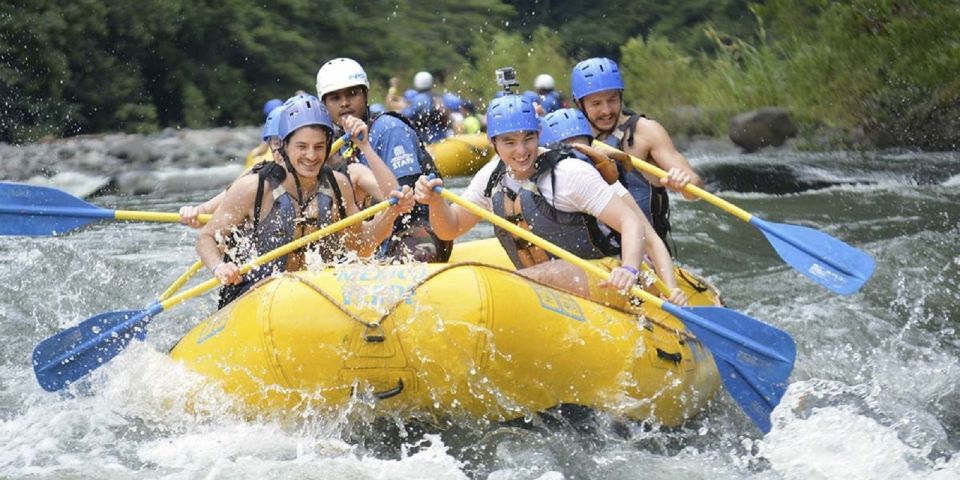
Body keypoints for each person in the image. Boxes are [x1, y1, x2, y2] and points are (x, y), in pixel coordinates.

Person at [415, 95, 686, 307]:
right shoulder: (491, 177)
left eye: (528, 139)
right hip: (547, 286)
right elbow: (449, 230)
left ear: (539, 135)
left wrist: (628, 268)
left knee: (548, 274)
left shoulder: (569, 174)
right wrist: (434, 203)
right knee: (543, 274)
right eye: (509, 142)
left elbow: (632, 223)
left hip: (605, 273)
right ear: (493, 142)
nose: (521, 151)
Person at [195, 97, 413, 308]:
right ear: (284, 146)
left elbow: (361, 245)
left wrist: (391, 213)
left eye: (319, 146)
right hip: (256, 296)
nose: (311, 155)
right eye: (302, 146)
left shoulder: (338, 185)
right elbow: (206, 237)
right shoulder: (254, 188)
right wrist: (219, 267)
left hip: (316, 296)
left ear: (328, 146)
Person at [539, 108, 685, 301]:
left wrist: (671, 290)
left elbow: (651, 240)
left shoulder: (606, 183)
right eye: (566, 151)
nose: (576, 159)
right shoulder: (539, 181)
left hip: (617, 266)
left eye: (582, 149)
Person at [316, 57, 452, 262]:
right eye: (335, 98)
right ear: (324, 105)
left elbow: (408, 200)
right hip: (375, 234)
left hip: (416, 228)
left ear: (365, 94)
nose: (344, 103)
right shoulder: (334, 144)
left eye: (352, 94)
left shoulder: (389, 129)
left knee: (414, 256)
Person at [571, 57, 702, 249]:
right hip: (596, 255)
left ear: (621, 96)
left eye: (612, 100)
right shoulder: (571, 135)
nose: (606, 110)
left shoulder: (645, 132)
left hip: (647, 252)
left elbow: (695, 187)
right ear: (579, 103)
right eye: (596, 103)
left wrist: (684, 184)